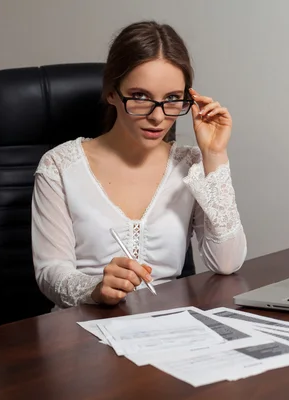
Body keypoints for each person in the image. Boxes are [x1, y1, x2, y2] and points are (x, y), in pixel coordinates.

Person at [31, 20, 247, 309]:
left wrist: (214, 155)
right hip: (80, 335)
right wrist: (95, 289)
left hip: (168, 332)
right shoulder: (58, 167)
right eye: (141, 97)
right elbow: (49, 272)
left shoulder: (191, 165)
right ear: (111, 93)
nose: (158, 117)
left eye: (172, 99)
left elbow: (227, 263)